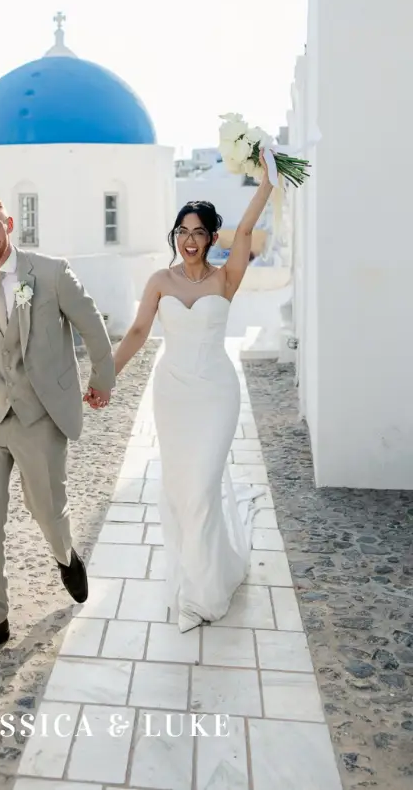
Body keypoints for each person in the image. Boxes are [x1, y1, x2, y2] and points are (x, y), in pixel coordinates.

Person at [0, 196, 114, 665]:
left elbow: (93, 326)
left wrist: (101, 380)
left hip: (37, 415)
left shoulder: (51, 272)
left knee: (46, 508)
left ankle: (66, 556)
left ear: (9, 224)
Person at [112, 158, 273, 630]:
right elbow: (139, 331)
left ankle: (203, 595)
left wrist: (267, 181)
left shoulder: (226, 277)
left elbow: (246, 232)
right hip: (174, 393)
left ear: (211, 238)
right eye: (183, 230)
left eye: (199, 231)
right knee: (183, 491)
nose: (189, 239)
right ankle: (198, 575)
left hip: (216, 394)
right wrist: (107, 377)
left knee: (203, 487)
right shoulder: (160, 281)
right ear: (175, 236)